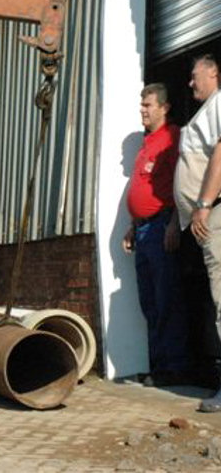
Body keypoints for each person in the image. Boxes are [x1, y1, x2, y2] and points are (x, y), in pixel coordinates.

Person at [122, 83, 189, 386]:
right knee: (149, 301)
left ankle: (174, 367)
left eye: (148, 105)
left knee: (167, 299)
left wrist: (175, 222)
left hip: (162, 227)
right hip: (143, 230)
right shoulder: (147, 142)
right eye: (142, 105)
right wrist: (132, 225)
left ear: (164, 107)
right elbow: (144, 189)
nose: (143, 110)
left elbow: (180, 182)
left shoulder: (171, 138)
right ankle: (158, 365)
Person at [174, 54, 221, 412]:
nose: (190, 83)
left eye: (195, 76)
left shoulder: (219, 104)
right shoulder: (203, 113)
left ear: (214, 73)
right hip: (200, 219)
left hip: (214, 212)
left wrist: (203, 204)